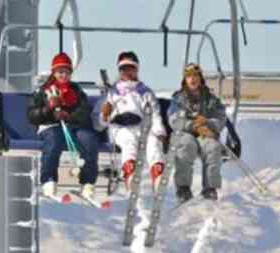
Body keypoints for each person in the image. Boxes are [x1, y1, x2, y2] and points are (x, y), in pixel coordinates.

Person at [27, 52, 99, 200]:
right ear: (54, 73)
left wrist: (69, 116)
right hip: (50, 127)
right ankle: (49, 180)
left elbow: (85, 110)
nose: (63, 75)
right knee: (54, 140)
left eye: (66, 72)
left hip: (73, 127)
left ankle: (88, 182)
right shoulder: (44, 91)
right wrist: (48, 109)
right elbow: (32, 115)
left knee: (89, 141)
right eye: (60, 72)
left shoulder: (76, 91)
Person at [95, 51, 167, 190]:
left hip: (141, 126)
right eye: (124, 69)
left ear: (136, 69)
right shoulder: (111, 93)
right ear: (119, 71)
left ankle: (157, 171)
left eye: (131, 68)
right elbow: (98, 125)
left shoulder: (144, 92)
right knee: (128, 141)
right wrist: (104, 116)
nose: (127, 72)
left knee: (153, 141)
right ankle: (130, 171)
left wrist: (159, 132)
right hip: (120, 128)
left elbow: (155, 114)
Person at [169, 63, 228, 202]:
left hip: (205, 133)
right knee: (186, 146)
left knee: (212, 147)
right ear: (185, 79)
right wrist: (193, 125)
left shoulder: (210, 98)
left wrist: (208, 123)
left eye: (195, 76)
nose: (192, 79)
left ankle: (210, 188)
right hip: (185, 132)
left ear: (201, 78)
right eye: (189, 76)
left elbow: (220, 116)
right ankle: (183, 189)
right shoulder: (178, 98)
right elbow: (173, 118)